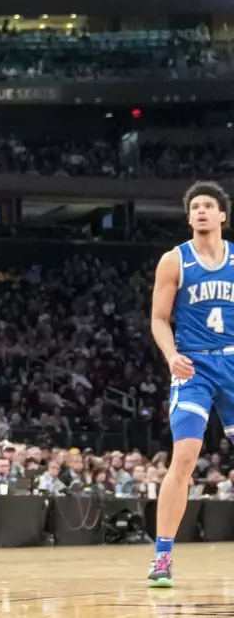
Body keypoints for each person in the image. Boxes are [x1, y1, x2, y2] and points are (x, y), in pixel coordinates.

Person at [148, 181, 234, 588]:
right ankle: (162, 556)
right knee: (184, 457)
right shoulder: (174, 260)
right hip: (193, 366)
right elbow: (159, 319)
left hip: (232, 362)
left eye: (208, 205)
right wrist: (171, 356)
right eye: (195, 206)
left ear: (222, 216)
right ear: (189, 217)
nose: (201, 210)